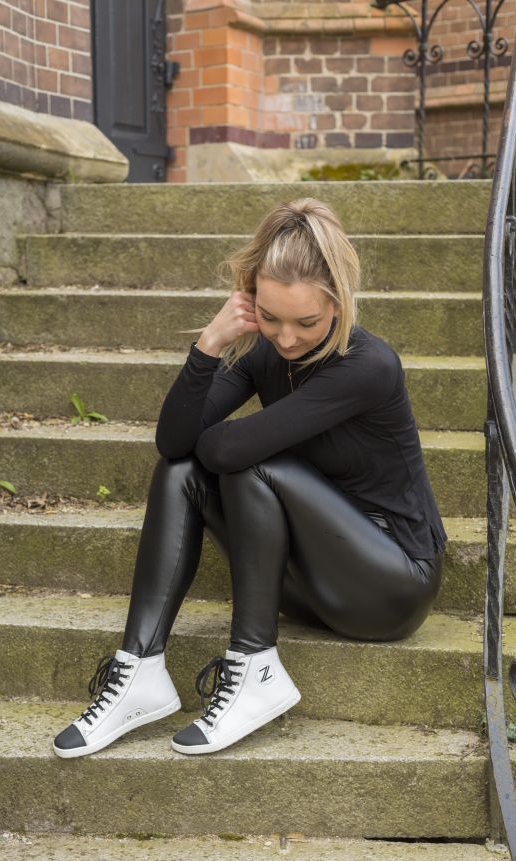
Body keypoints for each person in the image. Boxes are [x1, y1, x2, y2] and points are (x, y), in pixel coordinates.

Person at [52, 197, 447, 761]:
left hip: (390, 581)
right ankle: (139, 666)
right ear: (250, 300)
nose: (285, 338)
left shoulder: (368, 366)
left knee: (250, 460)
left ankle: (255, 665)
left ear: (339, 302)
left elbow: (226, 445)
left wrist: (223, 439)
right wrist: (209, 344)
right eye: (269, 317)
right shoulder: (267, 350)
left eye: (306, 321)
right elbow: (175, 443)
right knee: (180, 472)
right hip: (311, 586)